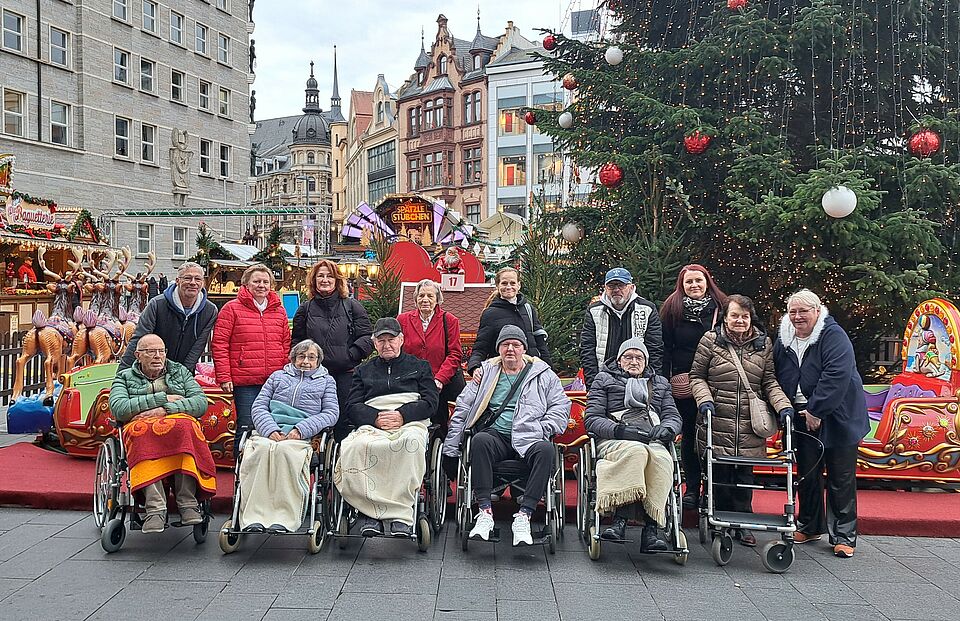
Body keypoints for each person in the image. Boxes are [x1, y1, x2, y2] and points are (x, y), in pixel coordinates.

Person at [444, 325, 571, 546]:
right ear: (498, 349)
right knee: (480, 440)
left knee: (546, 450)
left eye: (516, 345)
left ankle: (524, 515)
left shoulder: (543, 374)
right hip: (497, 435)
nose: (510, 349)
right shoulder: (485, 373)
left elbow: (560, 406)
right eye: (505, 345)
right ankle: (484, 511)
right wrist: (451, 447)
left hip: (531, 435)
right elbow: (463, 408)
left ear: (524, 349)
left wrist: (543, 428)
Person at [689, 294, 793, 547]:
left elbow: (768, 381)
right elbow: (697, 376)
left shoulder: (763, 344)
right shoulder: (711, 341)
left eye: (744, 316)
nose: (740, 320)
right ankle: (719, 523)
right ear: (725, 316)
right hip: (717, 418)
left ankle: (743, 522)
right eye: (735, 315)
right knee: (720, 474)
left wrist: (784, 406)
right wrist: (704, 400)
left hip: (749, 422)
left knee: (744, 476)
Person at [773, 289, 869, 558]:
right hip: (799, 415)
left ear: (817, 310)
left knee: (841, 477)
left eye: (803, 311)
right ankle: (809, 524)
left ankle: (843, 535)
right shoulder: (784, 336)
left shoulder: (833, 335)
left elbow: (836, 375)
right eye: (793, 311)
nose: (798, 316)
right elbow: (777, 370)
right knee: (807, 473)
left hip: (838, 416)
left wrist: (817, 409)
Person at [335, 317, 438, 538]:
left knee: (409, 444)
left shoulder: (420, 367)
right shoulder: (363, 371)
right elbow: (352, 405)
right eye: (381, 340)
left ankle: (401, 514)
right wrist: (375, 418)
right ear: (374, 343)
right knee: (356, 446)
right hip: (374, 421)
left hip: (410, 422)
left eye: (391, 339)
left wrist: (403, 415)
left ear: (401, 339)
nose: (387, 344)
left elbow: (431, 402)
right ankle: (368, 512)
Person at [108, 334, 216, 534]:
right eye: (151, 352)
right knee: (143, 434)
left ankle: (187, 503)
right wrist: (161, 398)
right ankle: (155, 508)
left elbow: (200, 403)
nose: (158, 356)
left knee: (186, 429)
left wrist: (164, 410)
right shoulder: (124, 377)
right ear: (138, 355)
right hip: (141, 427)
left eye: (161, 351)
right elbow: (119, 409)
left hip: (176, 421)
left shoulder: (179, 371)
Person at [583, 338, 681, 550]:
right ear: (619, 361)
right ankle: (619, 521)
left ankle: (651, 529)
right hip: (615, 438)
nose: (634, 361)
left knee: (662, 459)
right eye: (628, 357)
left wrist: (668, 428)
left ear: (646, 361)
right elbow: (591, 418)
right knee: (636, 452)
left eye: (639, 357)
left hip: (651, 438)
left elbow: (672, 415)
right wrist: (618, 430)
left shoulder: (661, 383)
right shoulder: (604, 379)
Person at [239, 339, 340, 532]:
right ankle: (253, 516)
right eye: (301, 356)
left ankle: (284, 517)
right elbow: (259, 405)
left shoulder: (327, 381)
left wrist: (300, 430)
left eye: (311, 357)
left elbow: (330, 413)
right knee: (259, 452)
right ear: (293, 359)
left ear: (319, 361)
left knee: (286, 454)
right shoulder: (277, 376)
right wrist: (270, 430)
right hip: (269, 431)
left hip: (302, 435)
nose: (306, 361)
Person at [659, 264, 728, 508]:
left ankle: (715, 490)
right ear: (682, 285)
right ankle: (691, 488)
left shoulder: (722, 307)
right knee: (689, 436)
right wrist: (664, 380)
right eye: (689, 282)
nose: (694, 285)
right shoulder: (672, 309)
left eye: (698, 280)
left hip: (717, 381)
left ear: (707, 281)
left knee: (714, 435)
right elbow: (665, 347)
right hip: (684, 383)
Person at [292, 259, 372, 439]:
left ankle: (342, 458)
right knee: (314, 417)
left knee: (344, 418)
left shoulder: (352, 306)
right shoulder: (305, 309)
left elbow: (367, 337)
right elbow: (297, 341)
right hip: (314, 374)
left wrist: (351, 355)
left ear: (337, 280)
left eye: (329, 276)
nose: (325, 280)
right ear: (314, 280)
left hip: (346, 373)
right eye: (320, 276)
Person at [211, 264, 290, 432]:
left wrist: (285, 373)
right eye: (256, 281)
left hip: (274, 380)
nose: (261, 285)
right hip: (245, 380)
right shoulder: (231, 308)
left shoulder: (279, 310)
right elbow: (220, 344)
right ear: (246, 285)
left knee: (273, 427)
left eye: (265, 282)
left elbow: (285, 343)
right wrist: (224, 376)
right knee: (247, 426)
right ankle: (241, 458)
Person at [120, 262, 218, 373]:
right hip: (152, 369)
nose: (193, 283)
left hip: (183, 371)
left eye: (198, 279)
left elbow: (198, 347)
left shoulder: (209, 310)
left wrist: (182, 373)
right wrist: (122, 375)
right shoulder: (157, 304)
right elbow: (139, 339)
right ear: (177, 281)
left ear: (203, 283)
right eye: (187, 278)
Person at [396, 279, 464, 430]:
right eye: (421, 296)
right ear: (415, 299)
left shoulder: (450, 320)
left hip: (438, 384)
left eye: (430, 296)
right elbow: (397, 350)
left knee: (438, 424)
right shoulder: (403, 320)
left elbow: (454, 354)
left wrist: (440, 379)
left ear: (437, 299)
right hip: (410, 381)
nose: (425, 300)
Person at [580, 267, 664, 388]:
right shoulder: (594, 310)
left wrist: (652, 383)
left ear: (631, 287)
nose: (616, 290)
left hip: (639, 379)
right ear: (605, 288)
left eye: (621, 285)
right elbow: (587, 349)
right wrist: (593, 384)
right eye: (611, 286)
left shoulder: (647, 309)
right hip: (604, 378)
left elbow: (655, 349)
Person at [467, 267, 550, 379]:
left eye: (512, 283)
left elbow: (540, 343)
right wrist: (475, 366)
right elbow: (481, 346)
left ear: (518, 285)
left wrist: (548, 368)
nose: (509, 287)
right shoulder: (490, 314)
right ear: (497, 285)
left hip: (530, 372)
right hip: (503, 374)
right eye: (504, 283)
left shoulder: (528, 309)